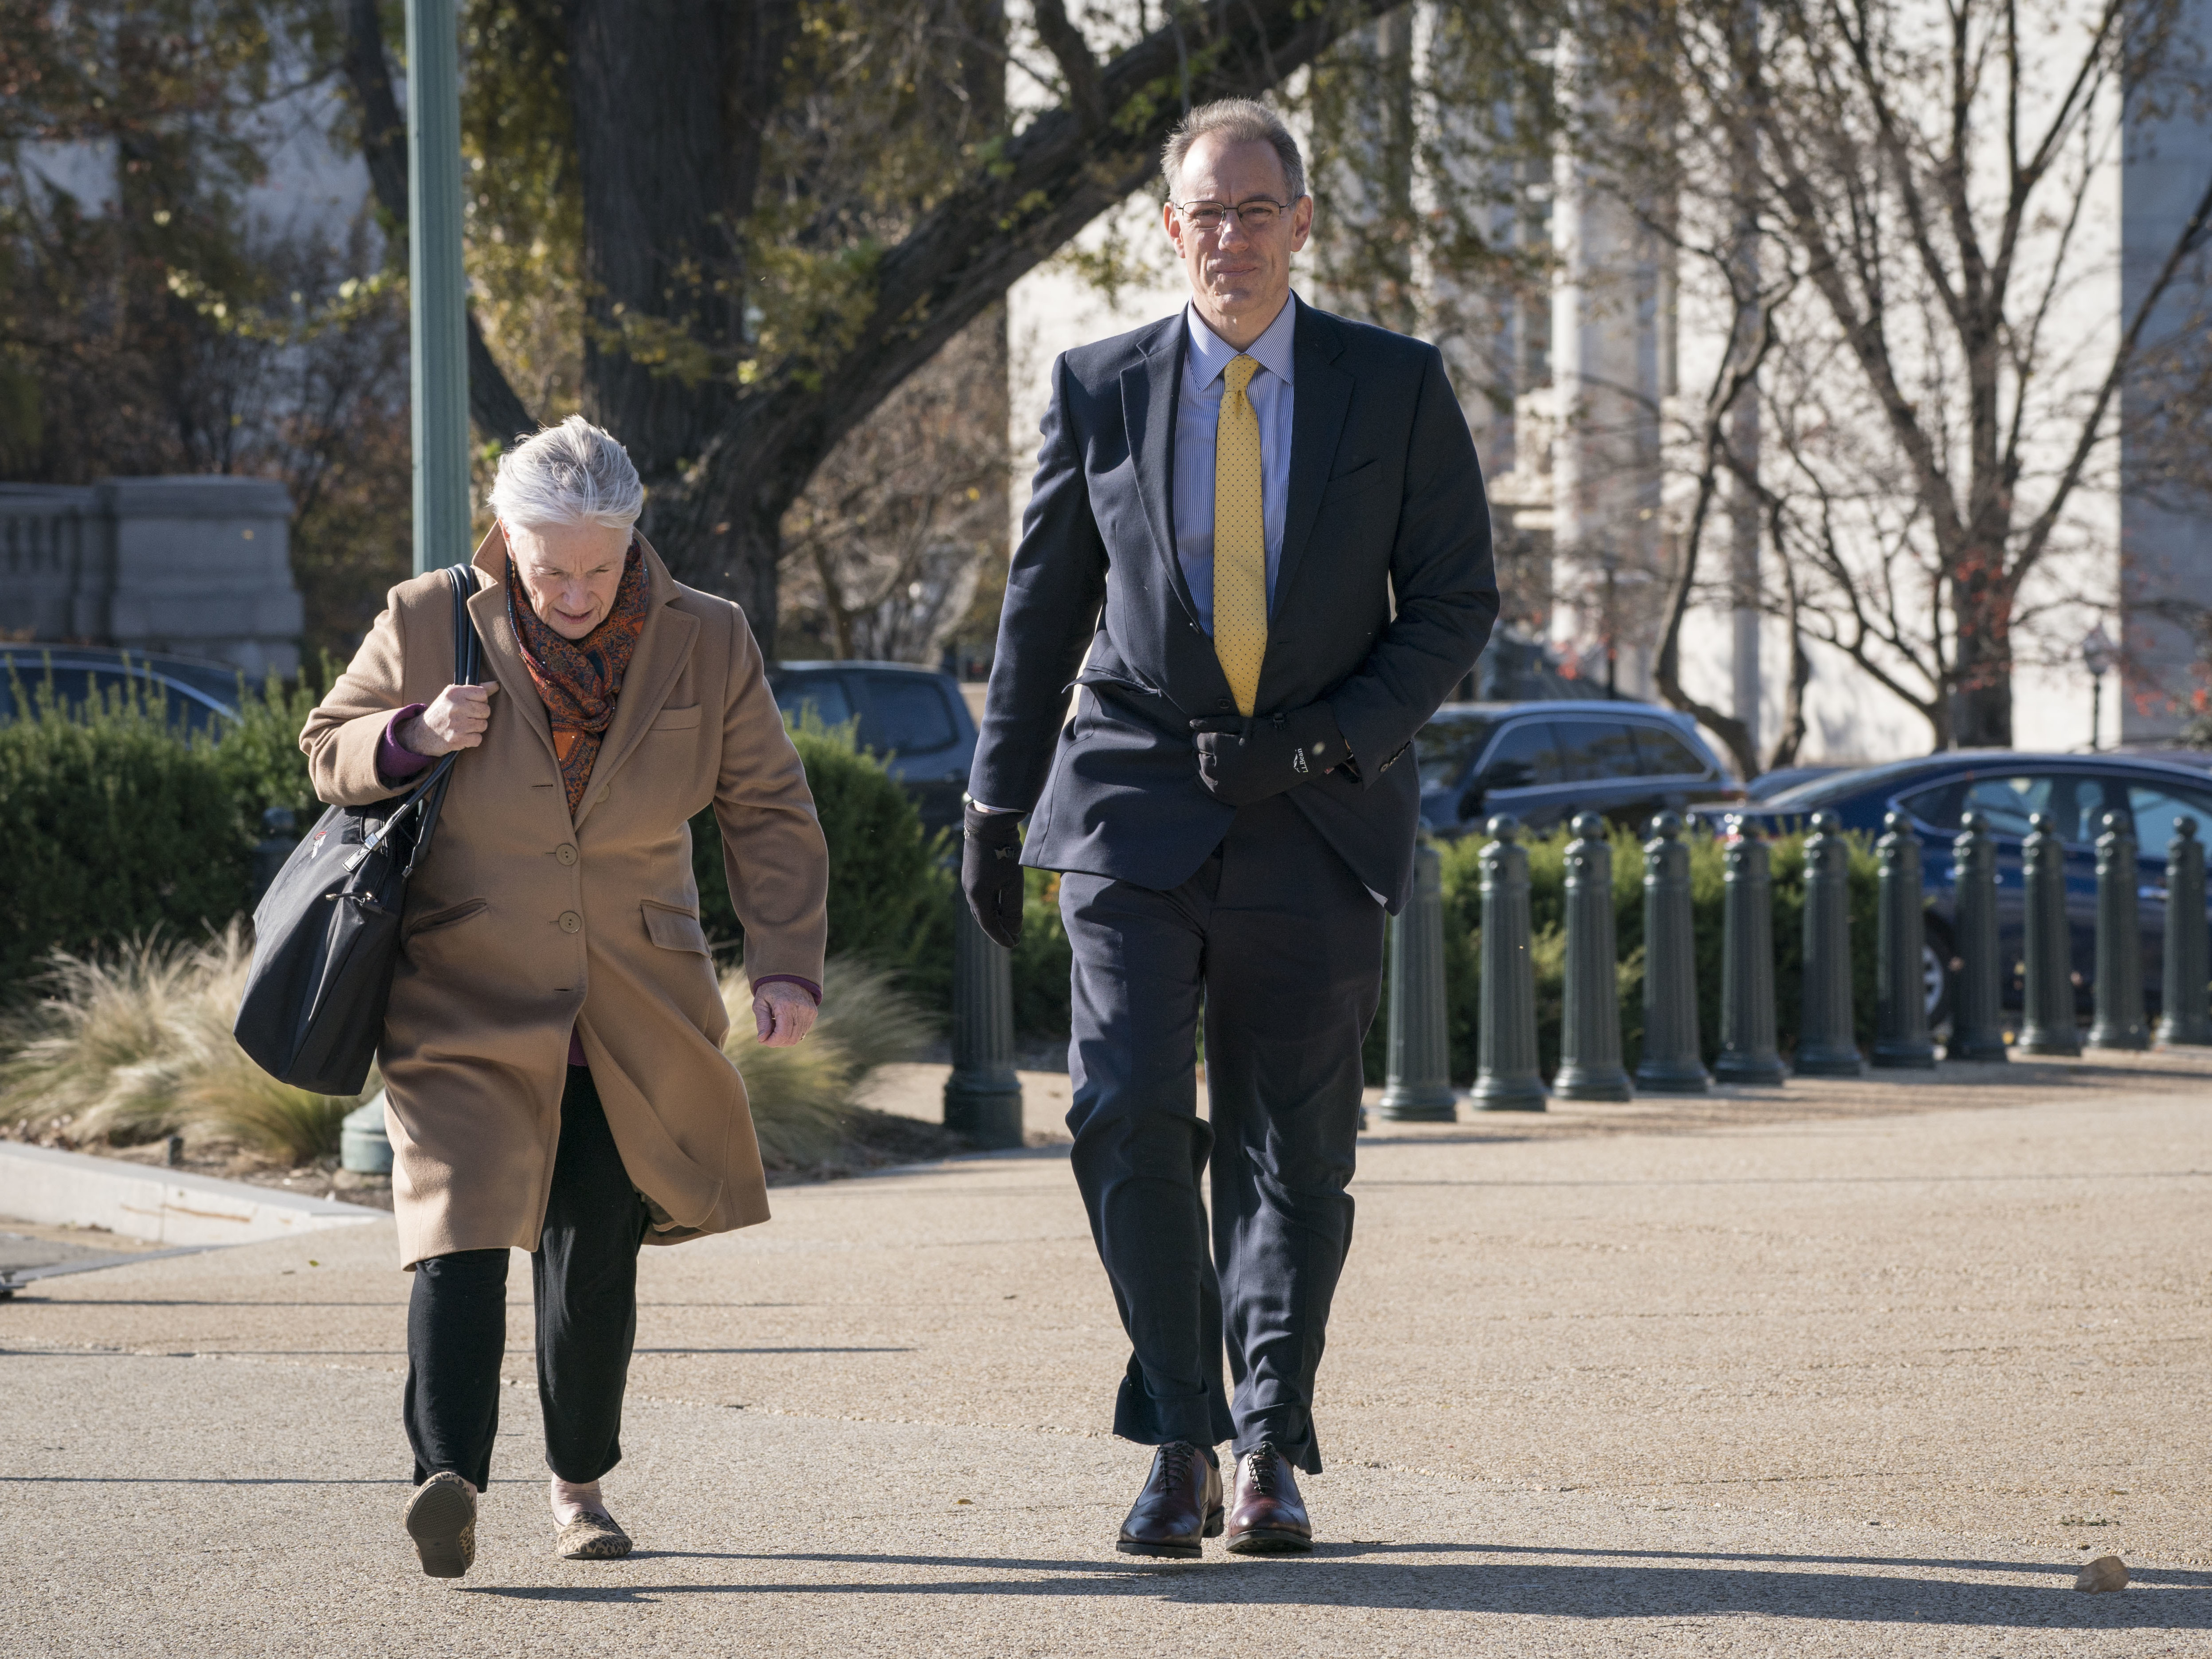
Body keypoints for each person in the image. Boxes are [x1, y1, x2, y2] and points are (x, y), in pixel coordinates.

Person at [963, 100, 1498, 1558]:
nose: (1232, 238)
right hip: (1135, 801)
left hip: (1317, 812)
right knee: (1121, 1109)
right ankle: (1179, 1433)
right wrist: (992, 802)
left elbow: (1456, 602)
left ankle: (1265, 1448)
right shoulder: (1097, 387)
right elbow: (1040, 610)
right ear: (1168, 228)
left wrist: (1325, 740)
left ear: (1302, 222)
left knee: (1291, 1156)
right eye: (1207, 212)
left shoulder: (1391, 388)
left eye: (1258, 210)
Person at [301, 416, 829, 1578]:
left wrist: (785, 960)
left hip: (631, 1000)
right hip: (461, 987)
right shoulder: (429, 618)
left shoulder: (707, 639)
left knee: (593, 1255)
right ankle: (447, 1478)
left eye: (597, 568)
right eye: (551, 570)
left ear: (631, 541)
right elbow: (326, 749)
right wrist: (412, 733)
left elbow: (769, 808)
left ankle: (579, 1489)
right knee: (458, 1237)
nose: (576, 592)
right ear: (507, 537)